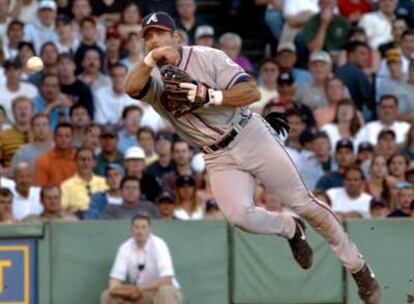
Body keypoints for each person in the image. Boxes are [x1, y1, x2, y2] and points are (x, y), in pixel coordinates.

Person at [124, 12, 380, 303]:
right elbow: (131, 88)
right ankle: (289, 228)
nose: (154, 40)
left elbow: (250, 91)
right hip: (216, 155)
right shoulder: (151, 75)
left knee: (304, 203)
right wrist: (148, 60)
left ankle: (360, 269)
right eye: (147, 36)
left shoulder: (207, 57)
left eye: (159, 33)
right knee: (239, 217)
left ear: (177, 37)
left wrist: (209, 96)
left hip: (248, 134)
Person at [101, 213, 183, 304]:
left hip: (161, 292)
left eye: (144, 227)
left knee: (165, 291)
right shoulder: (125, 247)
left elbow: (167, 279)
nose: (140, 231)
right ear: (131, 229)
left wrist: (139, 288)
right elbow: (115, 278)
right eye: (136, 227)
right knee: (108, 294)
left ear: (149, 229)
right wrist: (115, 289)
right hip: (138, 294)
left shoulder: (159, 244)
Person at [61, 147, 107, 216]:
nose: (85, 163)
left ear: (94, 163)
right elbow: (61, 211)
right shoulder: (66, 186)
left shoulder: (105, 183)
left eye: (88, 159)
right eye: (81, 159)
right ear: (75, 162)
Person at [34, 122, 76, 186]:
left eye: (67, 136)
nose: (63, 139)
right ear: (54, 137)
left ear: (72, 138)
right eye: (60, 136)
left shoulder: (79, 159)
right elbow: (40, 189)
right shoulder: (43, 160)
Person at [0, 96, 34, 173]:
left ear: (32, 112)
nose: (23, 112)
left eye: (26, 108)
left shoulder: (42, 133)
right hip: (10, 178)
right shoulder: (3, 135)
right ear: (13, 113)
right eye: (19, 108)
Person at [0, 59, 37, 123]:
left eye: (15, 69)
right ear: (5, 73)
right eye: (9, 70)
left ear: (20, 72)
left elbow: (36, 111)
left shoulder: (31, 89)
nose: (12, 73)